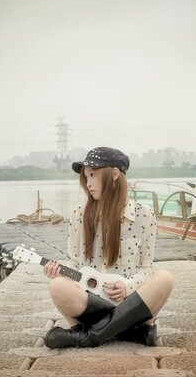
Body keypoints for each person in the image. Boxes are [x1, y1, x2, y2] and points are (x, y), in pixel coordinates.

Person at [43, 147, 174, 348]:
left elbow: (146, 268)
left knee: (164, 278)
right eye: (86, 177)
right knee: (57, 286)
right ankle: (131, 332)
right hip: (91, 303)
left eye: (93, 175)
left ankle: (88, 337)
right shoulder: (80, 213)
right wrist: (60, 272)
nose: (88, 184)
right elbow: (75, 262)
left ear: (114, 174)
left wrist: (127, 287)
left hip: (129, 303)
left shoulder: (144, 215)